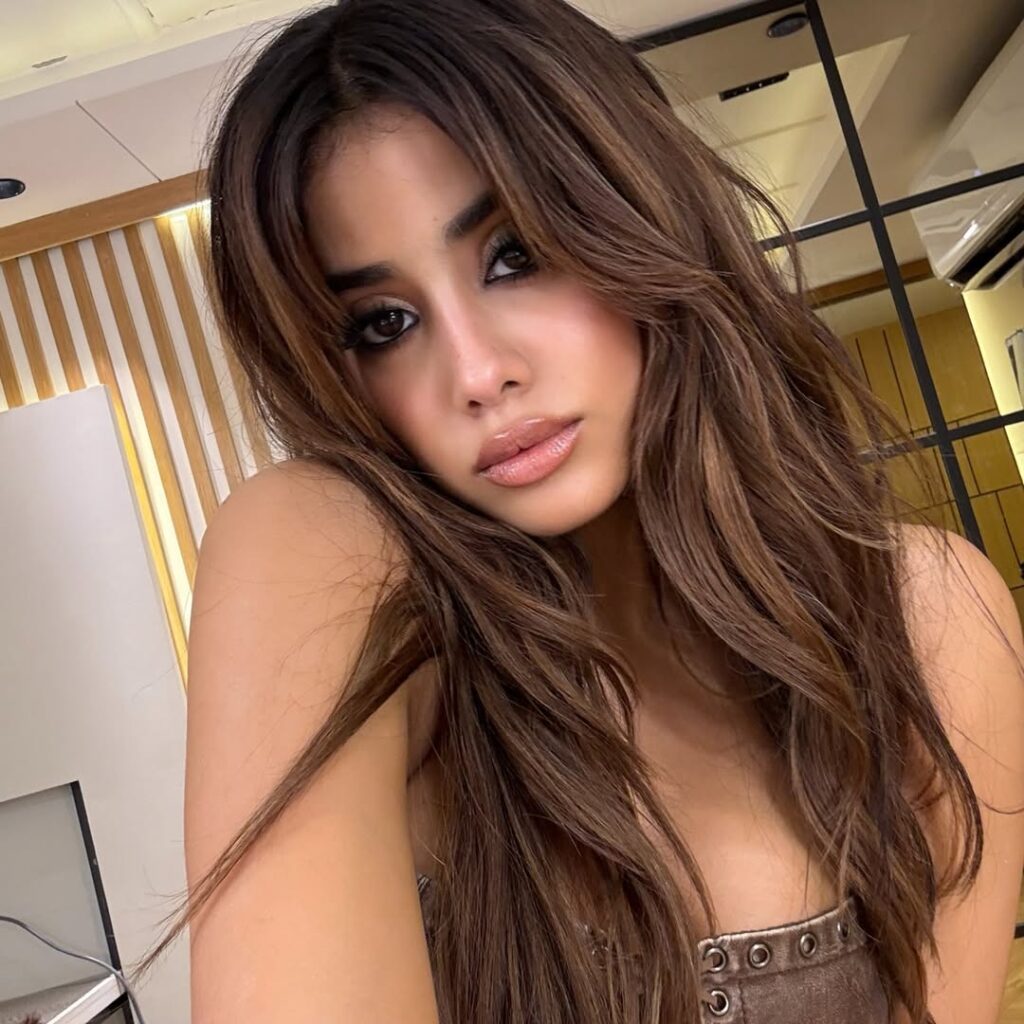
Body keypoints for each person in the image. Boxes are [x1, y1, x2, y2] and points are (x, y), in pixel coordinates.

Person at [126, 1, 1024, 1021]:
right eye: (383, 323)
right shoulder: (323, 559)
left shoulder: (928, 616)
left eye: (514, 254)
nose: (477, 374)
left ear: (638, 215)